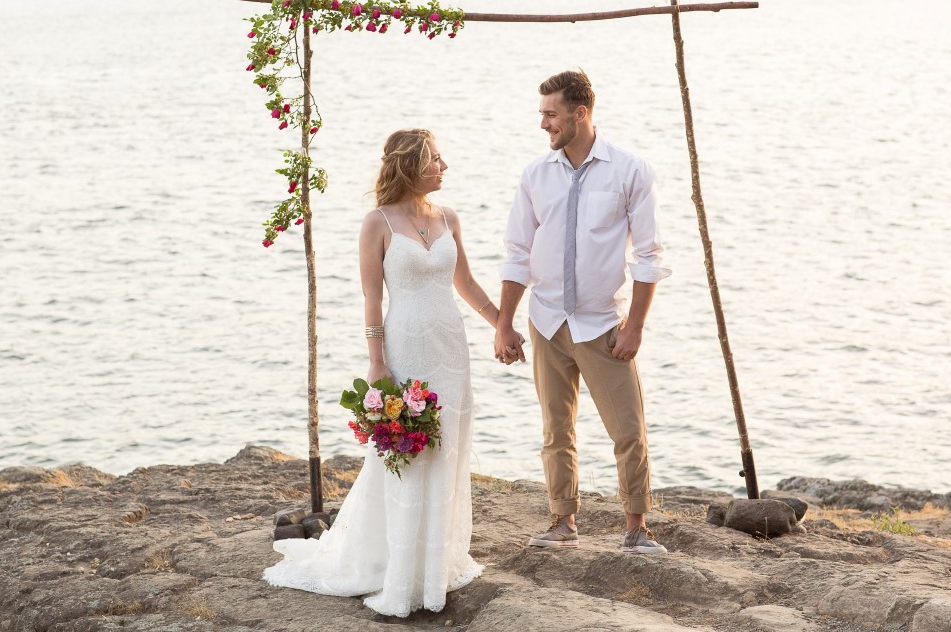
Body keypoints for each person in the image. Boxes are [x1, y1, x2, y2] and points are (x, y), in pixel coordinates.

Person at [264, 128, 523, 616]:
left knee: (446, 447)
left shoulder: (448, 217)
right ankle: (400, 571)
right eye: (436, 160)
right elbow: (371, 297)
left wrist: (501, 325)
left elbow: (464, 281)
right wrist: (377, 361)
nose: (444, 167)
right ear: (411, 165)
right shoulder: (377, 222)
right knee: (408, 452)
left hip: (450, 346)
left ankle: (435, 564)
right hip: (405, 348)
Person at [494, 70, 670, 554]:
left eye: (551, 114)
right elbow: (517, 252)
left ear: (580, 113)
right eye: (542, 114)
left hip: (602, 326)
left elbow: (650, 256)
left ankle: (635, 529)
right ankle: (563, 521)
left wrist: (634, 326)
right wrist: (505, 323)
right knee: (555, 429)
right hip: (547, 320)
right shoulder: (535, 174)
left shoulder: (630, 170)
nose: (544, 124)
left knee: (628, 430)